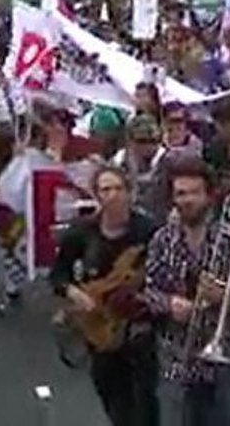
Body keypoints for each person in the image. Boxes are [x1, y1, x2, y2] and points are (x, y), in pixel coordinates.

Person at [144, 156, 230, 426]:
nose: (187, 200)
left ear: (209, 196)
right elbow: (149, 291)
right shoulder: (162, 240)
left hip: (229, 356)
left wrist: (227, 296)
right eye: (181, 193)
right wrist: (169, 303)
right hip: (179, 357)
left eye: (195, 193)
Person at [49, 165, 158, 426]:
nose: (113, 195)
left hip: (140, 323)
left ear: (129, 193)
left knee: (145, 397)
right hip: (99, 325)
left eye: (118, 188)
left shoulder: (149, 230)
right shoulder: (81, 233)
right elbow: (58, 275)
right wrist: (76, 294)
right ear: (96, 195)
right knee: (112, 393)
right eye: (105, 189)